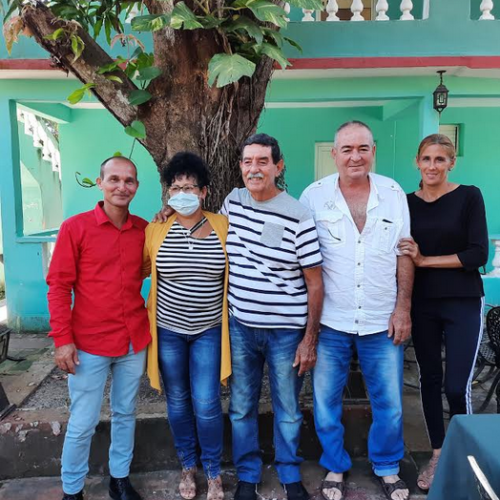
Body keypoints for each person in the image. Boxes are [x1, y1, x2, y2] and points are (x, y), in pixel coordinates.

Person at [300, 121, 414, 500]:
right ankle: (335, 465)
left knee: (390, 404)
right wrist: (308, 327)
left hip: (382, 319)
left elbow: (405, 253)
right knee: (325, 402)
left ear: (373, 152)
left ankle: (387, 466)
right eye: (347, 149)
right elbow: (304, 261)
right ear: (334, 154)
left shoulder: (393, 194)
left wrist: (403, 308)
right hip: (331, 321)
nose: (355, 156)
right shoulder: (314, 197)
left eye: (363, 148)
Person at [223, 134, 324, 500]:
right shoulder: (232, 202)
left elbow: (315, 282)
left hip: (286, 332)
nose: (254, 169)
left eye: (263, 161)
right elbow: (205, 230)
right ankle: (248, 475)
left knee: (288, 409)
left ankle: (289, 473)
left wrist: (309, 339)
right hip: (241, 327)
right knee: (241, 407)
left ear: (278, 167)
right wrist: (168, 213)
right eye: (248, 161)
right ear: (241, 166)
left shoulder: (298, 214)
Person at [47, 156, 151, 500]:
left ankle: (119, 480)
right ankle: (72, 490)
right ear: (100, 182)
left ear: (136, 186)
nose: (122, 186)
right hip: (88, 344)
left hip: (133, 339)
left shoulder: (143, 230)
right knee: (83, 421)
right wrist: (62, 340)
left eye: (129, 180)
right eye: (114, 179)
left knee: (126, 413)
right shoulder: (75, 228)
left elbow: (152, 264)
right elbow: (59, 286)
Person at [398, 134, 488, 492]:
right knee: (429, 379)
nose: (432, 166)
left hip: (463, 300)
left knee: (456, 385)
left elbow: (478, 254)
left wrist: (425, 260)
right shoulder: (406, 203)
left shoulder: (469, 196)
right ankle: (437, 454)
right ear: (417, 162)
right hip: (423, 303)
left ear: (452, 163)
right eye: (426, 159)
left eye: (440, 159)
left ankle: (467, 455)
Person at [143, 152, 230, 500]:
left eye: (190, 187)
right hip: (168, 330)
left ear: (204, 192)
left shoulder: (223, 226)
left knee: (207, 402)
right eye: (176, 188)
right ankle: (187, 465)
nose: (183, 193)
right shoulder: (156, 229)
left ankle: (213, 471)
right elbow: (140, 267)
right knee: (178, 400)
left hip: (209, 329)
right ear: (168, 193)